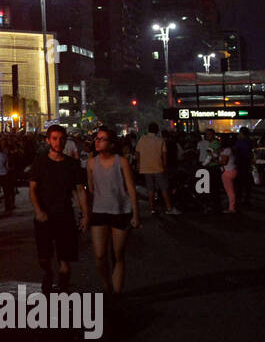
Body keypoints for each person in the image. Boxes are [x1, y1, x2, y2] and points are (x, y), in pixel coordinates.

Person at [29, 125, 89, 292]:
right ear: (48, 140)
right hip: (45, 216)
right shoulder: (40, 161)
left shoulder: (72, 164)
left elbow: (79, 190)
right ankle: (48, 273)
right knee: (44, 258)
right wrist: (38, 211)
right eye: (54, 138)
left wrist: (85, 215)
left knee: (65, 260)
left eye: (61, 139)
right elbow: (33, 189)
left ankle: (62, 289)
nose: (58, 142)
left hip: (65, 215)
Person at [87, 126, 140, 299]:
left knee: (118, 255)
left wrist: (135, 214)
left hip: (120, 211)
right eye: (96, 138)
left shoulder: (121, 161)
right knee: (100, 256)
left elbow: (131, 189)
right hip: (99, 211)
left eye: (102, 139)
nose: (97, 141)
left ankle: (117, 294)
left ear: (111, 144)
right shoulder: (91, 163)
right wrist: (86, 213)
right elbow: (91, 190)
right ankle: (106, 284)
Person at [135, 121, 179, 216]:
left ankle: (152, 209)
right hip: (158, 167)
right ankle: (169, 208)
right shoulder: (160, 140)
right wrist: (164, 166)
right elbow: (164, 154)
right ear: (157, 130)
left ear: (148, 129)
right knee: (164, 188)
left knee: (150, 189)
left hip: (146, 167)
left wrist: (139, 164)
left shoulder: (142, 139)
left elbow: (137, 152)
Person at [219, 135, 239, 213]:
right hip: (233, 170)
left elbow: (224, 162)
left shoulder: (226, 150)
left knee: (230, 191)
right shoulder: (230, 149)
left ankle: (231, 208)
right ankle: (232, 206)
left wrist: (216, 161)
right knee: (232, 190)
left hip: (227, 171)